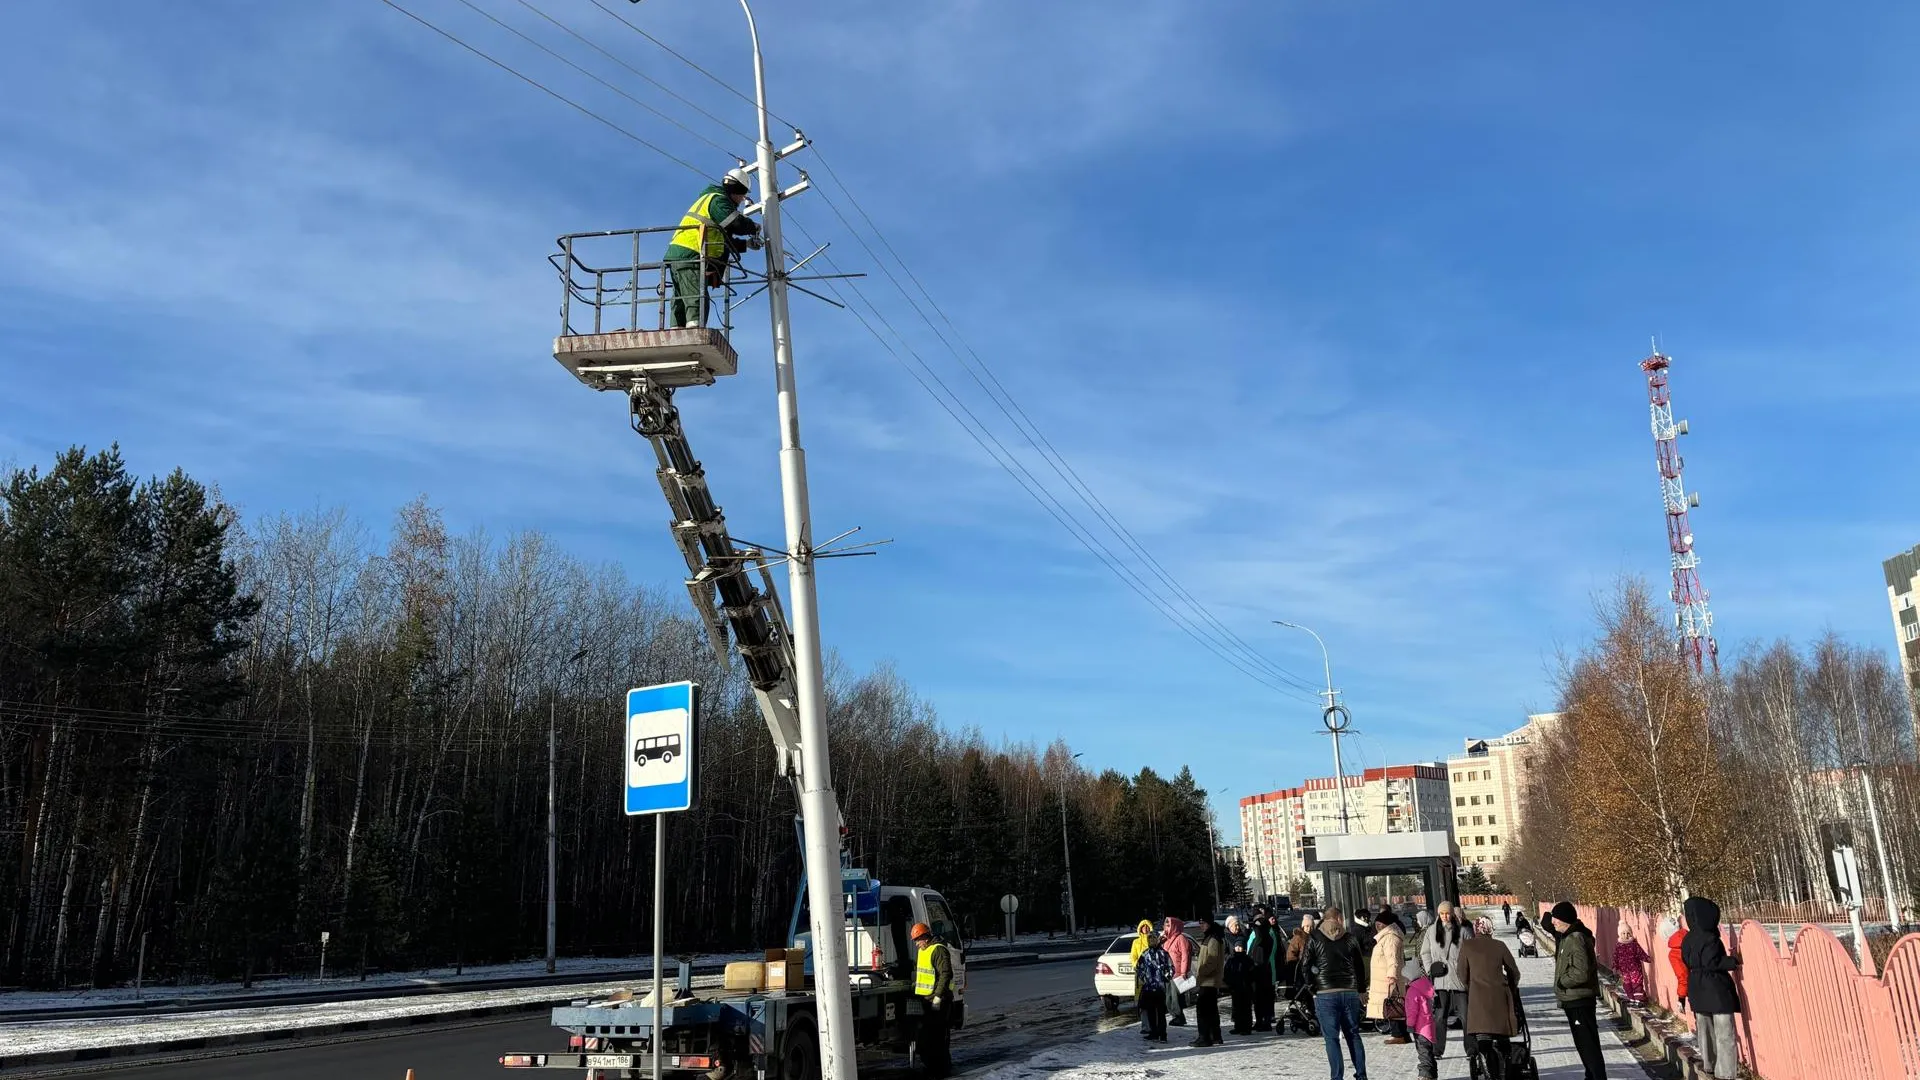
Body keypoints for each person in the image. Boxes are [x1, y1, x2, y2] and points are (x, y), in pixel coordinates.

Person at [662, 169, 760, 329]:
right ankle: (694, 331)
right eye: (742, 195)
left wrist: (746, 244)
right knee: (697, 298)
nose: (742, 200)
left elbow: (723, 240)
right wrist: (753, 226)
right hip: (691, 253)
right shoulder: (718, 200)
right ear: (736, 190)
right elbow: (735, 223)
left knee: (682, 298)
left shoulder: (711, 201)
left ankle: (676, 330)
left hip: (680, 254)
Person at [1301, 904, 1370, 1080]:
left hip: (1325, 992)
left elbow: (1305, 965)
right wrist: (1361, 989)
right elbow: (1359, 966)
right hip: (1349, 991)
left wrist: (1312, 987)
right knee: (1353, 1035)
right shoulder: (1349, 938)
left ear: (1325, 918)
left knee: (1331, 1038)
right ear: (1339, 918)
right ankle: (1361, 1075)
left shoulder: (1314, 937)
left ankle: (1337, 1077)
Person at [1543, 902, 1606, 1080]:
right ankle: (1591, 1076)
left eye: (1556, 918)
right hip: (1574, 999)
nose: (1553, 922)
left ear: (1565, 919)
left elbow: (1581, 972)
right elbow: (1546, 922)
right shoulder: (1567, 936)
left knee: (1588, 1046)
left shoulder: (1575, 938)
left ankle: (1597, 1077)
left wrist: (1562, 982)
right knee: (1584, 1045)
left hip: (1579, 999)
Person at [1682, 896, 1742, 1080]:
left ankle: (1709, 1064)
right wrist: (1731, 962)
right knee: (1724, 1033)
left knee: (1705, 1030)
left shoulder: (1687, 938)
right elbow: (1712, 962)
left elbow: (1687, 961)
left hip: (1696, 988)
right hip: (1716, 989)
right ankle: (1726, 1073)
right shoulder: (1710, 938)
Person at [1455, 915, 1521, 1076]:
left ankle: (1491, 1072)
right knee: (1502, 1037)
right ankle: (1507, 1070)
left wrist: (1471, 987)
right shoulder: (1500, 946)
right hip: (1500, 997)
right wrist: (1511, 988)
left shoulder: (1467, 946)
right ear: (1490, 928)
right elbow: (1514, 972)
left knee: (1483, 1037)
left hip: (1478, 999)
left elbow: (1461, 973)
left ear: (1476, 928)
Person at [1420, 901, 1469, 1055]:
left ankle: (1471, 1049)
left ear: (1452, 914)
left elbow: (1473, 953)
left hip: (1459, 979)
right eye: (1442, 913)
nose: (1445, 916)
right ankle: (1437, 1050)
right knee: (1440, 1016)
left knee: (1466, 1016)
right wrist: (1431, 969)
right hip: (1440, 979)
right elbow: (1424, 952)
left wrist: (1466, 970)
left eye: (1447, 913)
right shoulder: (1431, 931)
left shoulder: (1463, 931)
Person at [911, 922, 954, 1078]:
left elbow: (945, 974)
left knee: (938, 1038)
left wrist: (938, 997)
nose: (916, 944)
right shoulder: (923, 951)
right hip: (926, 1001)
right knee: (927, 1038)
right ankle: (932, 1067)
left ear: (926, 937)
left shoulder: (938, 950)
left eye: (917, 940)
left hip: (938, 1001)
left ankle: (942, 1070)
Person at [1368, 909, 1409, 1043]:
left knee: (1393, 1005)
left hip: (1388, 978)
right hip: (1385, 978)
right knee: (1394, 1004)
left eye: (1380, 923)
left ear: (1387, 924)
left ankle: (1398, 1035)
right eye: (1376, 923)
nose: (1377, 926)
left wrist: (1392, 976)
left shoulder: (1390, 938)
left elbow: (1392, 958)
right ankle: (1402, 1034)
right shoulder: (1387, 936)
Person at [1192, 916, 1227, 1047]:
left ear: (1209, 924)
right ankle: (1215, 1036)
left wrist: (1201, 971)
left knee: (1203, 1010)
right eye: (1200, 923)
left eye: (1203, 923)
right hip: (1209, 980)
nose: (1201, 926)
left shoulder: (1213, 939)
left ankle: (1204, 1037)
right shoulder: (1211, 937)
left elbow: (1212, 961)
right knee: (1211, 1010)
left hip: (1208, 981)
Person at [1136, 929, 1174, 1043]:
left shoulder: (1163, 953)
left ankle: (1162, 1034)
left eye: (1153, 938)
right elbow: (1138, 968)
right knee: (1150, 1011)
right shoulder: (1145, 954)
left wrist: (1166, 977)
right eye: (1149, 938)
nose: (1151, 940)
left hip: (1160, 988)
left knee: (1161, 1012)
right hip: (1148, 987)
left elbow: (1171, 967)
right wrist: (1144, 977)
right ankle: (1153, 1033)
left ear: (1158, 939)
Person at [1407, 962, 1442, 1080]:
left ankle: (1425, 1075)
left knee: (1423, 1052)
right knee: (1428, 1050)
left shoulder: (1412, 990)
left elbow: (1412, 1011)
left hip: (1420, 1028)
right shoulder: (1425, 986)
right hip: (1428, 1025)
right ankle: (1433, 1074)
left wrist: (1410, 1025)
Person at [1225, 915, 1255, 1035]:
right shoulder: (1226, 937)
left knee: (1245, 1005)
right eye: (1234, 925)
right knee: (1236, 1004)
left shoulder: (1243, 937)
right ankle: (1238, 1025)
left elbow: (1251, 971)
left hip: (1244, 982)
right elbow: (1225, 955)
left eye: (1238, 925)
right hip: (1234, 977)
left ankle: (1246, 1027)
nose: (1237, 927)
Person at [1248, 914, 1279, 1031]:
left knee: (1263, 998)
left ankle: (1264, 1022)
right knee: (1259, 998)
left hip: (1262, 971)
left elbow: (1258, 956)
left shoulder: (1263, 939)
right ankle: (1260, 1021)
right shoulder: (1264, 938)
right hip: (1262, 971)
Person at [1162, 916, 1192, 1028]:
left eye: (1169, 926)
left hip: (1178, 973)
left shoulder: (1181, 938)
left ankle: (1179, 1017)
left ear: (1174, 926)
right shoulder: (1166, 939)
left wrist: (1183, 972)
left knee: (1176, 998)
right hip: (1168, 973)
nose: (1166, 928)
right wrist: (1161, 939)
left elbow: (1185, 956)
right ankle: (1175, 1016)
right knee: (1168, 998)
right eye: (1165, 926)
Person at [1615, 924, 1652, 1006]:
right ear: (1620, 934)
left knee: (1637, 984)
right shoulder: (1619, 945)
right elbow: (1616, 957)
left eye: (1628, 933)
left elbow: (1640, 953)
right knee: (1627, 985)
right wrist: (1615, 967)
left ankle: (1640, 1000)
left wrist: (1647, 959)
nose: (1626, 935)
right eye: (1623, 933)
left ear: (1631, 933)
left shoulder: (1634, 944)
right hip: (1625, 971)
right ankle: (1632, 999)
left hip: (1635, 969)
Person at [1668, 909, 1691, 1011]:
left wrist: (1681, 998)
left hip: (1695, 989)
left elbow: (1683, 977)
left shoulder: (1674, 953)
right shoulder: (1692, 938)